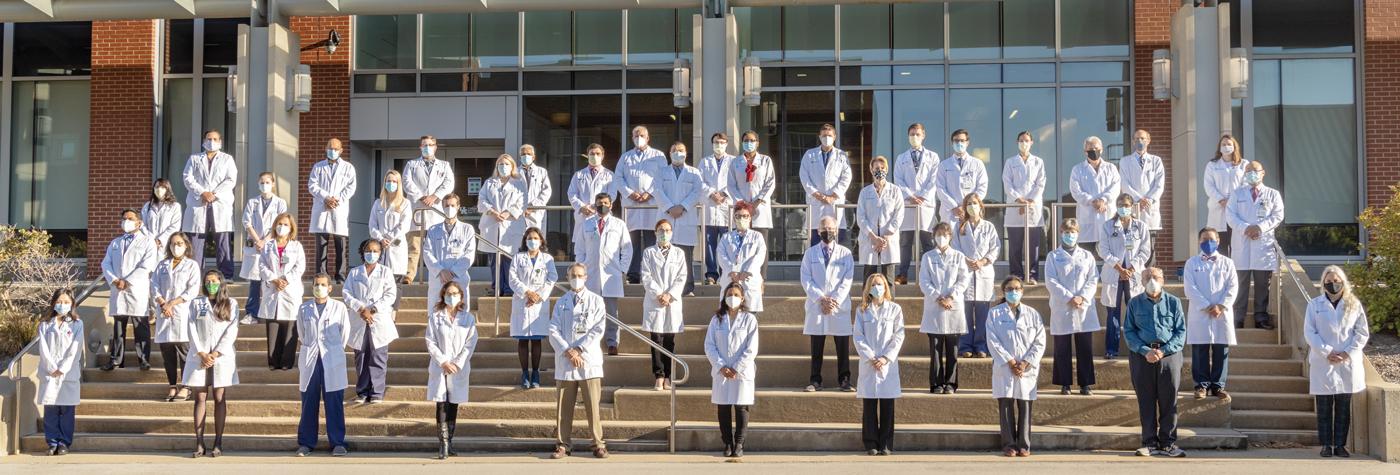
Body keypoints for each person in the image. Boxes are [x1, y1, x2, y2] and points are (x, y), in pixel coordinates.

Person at [1305, 266, 1370, 458]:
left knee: (1343, 407)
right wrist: (1327, 352)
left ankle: (1340, 445)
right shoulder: (1314, 304)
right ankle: (1326, 445)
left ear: (1343, 282)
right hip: (1323, 361)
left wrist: (1347, 353)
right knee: (1324, 407)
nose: (1332, 284)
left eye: (1336, 281)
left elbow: (1362, 332)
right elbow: (1310, 332)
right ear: (1323, 283)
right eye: (1328, 281)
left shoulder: (1354, 304)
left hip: (1347, 361)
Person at [1123, 267, 1188, 458]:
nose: (1152, 280)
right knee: (1146, 400)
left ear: (1163, 280)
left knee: (1169, 400)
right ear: (1142, 281)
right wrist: (1145, 351)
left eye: (1156, 277)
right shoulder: (1134, 303)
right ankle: (1149, 442)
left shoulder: (1174, 303)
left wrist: (1163, 351)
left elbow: (1180, 331)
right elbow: (1129, 331)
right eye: (1147, 277)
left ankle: (1168, 443)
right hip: (1142, 356)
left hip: (1169, 355)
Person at [548, 264, 609, 459]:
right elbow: (553, 329)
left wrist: (579, 349)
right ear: (567, 277)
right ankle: (563, 444)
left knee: (593, 406)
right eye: (573, 275)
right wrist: (568, 351)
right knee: (563, 408)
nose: (576, 278)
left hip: (587, 359)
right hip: (567, 360)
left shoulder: (596, 301)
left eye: (580, 275)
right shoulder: (561, 302)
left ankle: (598, 444)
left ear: (586, 277)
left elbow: (598, 329)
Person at [987, 277, 1045, 457]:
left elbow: (1040, 341)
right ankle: (1009, 444)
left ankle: (1024, 445)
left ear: (1022, 291)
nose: (1014, 292)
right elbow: (992, 341)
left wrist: (1026, 362)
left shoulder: (1032, 314)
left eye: (1017, 288)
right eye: (1010, 289)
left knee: (1025, 405)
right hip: (1006, 367)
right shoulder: (995, 313)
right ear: (1004, 291)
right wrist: (1011, 362)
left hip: (1026, 368)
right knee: (1006, 405)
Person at [184, 270, 239, 458]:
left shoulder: (231, 304)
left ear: (221, 282)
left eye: (214, 281)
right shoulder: (196, 303)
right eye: (207, 281)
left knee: (219, 398)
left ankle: (218, 442)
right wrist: (201, 352)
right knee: (199, 398)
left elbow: (231, 331)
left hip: (220, 357)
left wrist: (215, 353)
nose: (211, 284)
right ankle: (199, 442)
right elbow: (190, 327)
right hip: (199, 357)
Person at [295, 274, 351, 457]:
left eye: (323, 285)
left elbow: (344, 333)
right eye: (316, 284)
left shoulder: (339, 307)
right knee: (309, 401)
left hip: (332, 357)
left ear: (330, 288)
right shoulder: (304, 308)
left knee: (334, 401)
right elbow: (302, 334)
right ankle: (306, 442)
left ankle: (337, 442)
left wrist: (333, 349)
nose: (319, 287)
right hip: (311, 357)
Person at [425, 281, 480, 460]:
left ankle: (451, 440)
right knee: (441, 403)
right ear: (442, 295)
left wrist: (457, 363)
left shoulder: (468, 318)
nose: (452, 296)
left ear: (461, 296)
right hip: (440, 366)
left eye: (455, 293)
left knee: (454, 403)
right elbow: (430, 341)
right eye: (448, 293)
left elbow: (470, 343)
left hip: (458, 367)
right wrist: (443, 361)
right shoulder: (435, 317)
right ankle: (443, 444)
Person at [1227, 161, 1284, 330]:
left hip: (1262, 244)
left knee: (1262, 285)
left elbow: (1278, 215)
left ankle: (1261, 317)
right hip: (1241, 243)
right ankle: (1238, 318)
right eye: (1248, 171)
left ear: (1263, 173)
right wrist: (1246, 228)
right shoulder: (1237, 194)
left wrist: (1259, 228)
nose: (1251, 173)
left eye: (1255, 170)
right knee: (1240, 284)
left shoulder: (1272, 194)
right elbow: (1230, 216)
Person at [1046, 218, 1100, 395]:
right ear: (1061, 233)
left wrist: (1082, 297)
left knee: (1085, 347)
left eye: (1073, 232)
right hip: (1063, 306)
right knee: (1062, 347)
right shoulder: (1053, 256)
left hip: (1083, 306)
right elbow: (1051, 281)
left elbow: (1093, 278)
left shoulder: (1087, 256)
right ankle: (1064, 383)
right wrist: (1069, 297)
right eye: (1067, 232)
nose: (1070, 235)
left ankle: (1085, 384)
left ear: (1078, 234)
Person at [1183, 227, 1238, 402]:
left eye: (1211, 239)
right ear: (1199, 241)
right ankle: (1201, 385)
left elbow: (1233, 287)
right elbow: (1190, 288)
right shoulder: (1191, 263)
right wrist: (1207, 306)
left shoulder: (1228, 263)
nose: (1208, 243)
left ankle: (1218, 386)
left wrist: (1221, 306)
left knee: (1221, 350)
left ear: (1218, 241)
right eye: (1204, 239)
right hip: (1201, 313)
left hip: (1221, 313)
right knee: (1200, 350)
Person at [801, 216, 854, 393]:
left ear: (837, 230)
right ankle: (815, 380)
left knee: (842, 346)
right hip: (818, 305)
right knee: (817, 346)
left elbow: (847, 280)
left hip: (838, 306)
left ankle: (845, 380)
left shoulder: (845, 253)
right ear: (818, 231)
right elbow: (806, 279)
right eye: (824, 228)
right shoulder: (810, 254)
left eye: (831, 228)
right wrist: (821, 299)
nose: (828, 231)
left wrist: (834, 300)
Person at [854, 273, 905, 456]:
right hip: (869, 363)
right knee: (869, 406)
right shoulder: (861, 310)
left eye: (881, 284)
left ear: (886, 287)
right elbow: (858, 337)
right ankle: (870, 444)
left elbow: (898, 336)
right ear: (868, 288)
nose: (878, 288)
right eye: (874, 284)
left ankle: (886, 443)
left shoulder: (895, 309)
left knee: (887, 406)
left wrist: (885, 358)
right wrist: (871, 357)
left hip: (886, 364)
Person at [101, 209, 158, 371]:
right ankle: (116, 360)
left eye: (130, 218)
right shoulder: (115, 243)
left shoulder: (147, 242)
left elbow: (147, 265)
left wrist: (127, 281)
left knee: (141, 326)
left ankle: (144, 359)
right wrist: (114, 280)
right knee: (118, 327)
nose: (126, 221)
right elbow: (106, 263)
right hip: (118, 288)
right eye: (124, 219)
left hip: (136, 288)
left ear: (139, 222)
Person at [344, 240, 400, 404]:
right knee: (361, 356)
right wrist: (361, 309)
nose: (372, 253)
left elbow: (390, 295)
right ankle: (362, 392)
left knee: (378, 356)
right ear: (362, 252)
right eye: (368, 250)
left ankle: (376, 393)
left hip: (378, 318)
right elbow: (347, 293)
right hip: (359, 318)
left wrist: (372, 310)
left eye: (375, 251)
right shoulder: (354, 273)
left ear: (380, 253)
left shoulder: (386, 272)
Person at [707, 282, 759, 458]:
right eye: (730, 294)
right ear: (724, 297)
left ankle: (739, 443)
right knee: (723, 408)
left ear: (743, 298)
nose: (733, 298)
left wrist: (736, 368)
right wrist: (721, 366)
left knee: (741, 407)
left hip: (741, 372)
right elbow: (709, 345)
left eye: (736, 294)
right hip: (721, 371)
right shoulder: (717, 319)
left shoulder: (750, 319)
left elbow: (751, 348)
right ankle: (727, 443)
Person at [918, 222, 970, 394]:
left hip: (953, 306)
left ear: (950, 236)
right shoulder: (927, 257)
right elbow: (924, 281)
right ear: (933, 236)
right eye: (939, 233)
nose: (942, 237)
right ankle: (936, 383)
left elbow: (963, 280)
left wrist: (951, 297)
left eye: (945, 234)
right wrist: (938, 297)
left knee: (952, 350)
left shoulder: (958, 256)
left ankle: (951, 383)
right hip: (935, 307)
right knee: (935, 350)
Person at [1098, 193, 1151, 359]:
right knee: (1113, 313)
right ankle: (1111, 350)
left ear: (1132, 206)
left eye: (1127, 205)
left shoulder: (1141, 226)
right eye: (1120, 204)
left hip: (1133, 275)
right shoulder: (1108, 226)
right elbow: (1104, 250)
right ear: (1116, 206)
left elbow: (1145, 250)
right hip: (1114, 273)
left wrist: (1131, 268)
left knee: (1136, 312)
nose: (1124, 208)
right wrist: (1119, 268)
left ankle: (1137, 348)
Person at [578, 192, 631, 355]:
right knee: (588, 310)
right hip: (590, 273)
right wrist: (581, 269)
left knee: (611, 312)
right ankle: (588, 342)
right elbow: (579, 249)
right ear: (595, 204)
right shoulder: (586, 224)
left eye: (606, 202)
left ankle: (612, 343)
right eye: (600, 202)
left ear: (611, 205)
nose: (603, 205)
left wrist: (622, 269)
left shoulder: (619, 224)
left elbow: (627, 248)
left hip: (611, 274)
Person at [182, 129, 238, 278]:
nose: (211, 142)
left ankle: (226, 275)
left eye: (214, 139)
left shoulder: (227, 159)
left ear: (220, 142)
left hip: (220, 204)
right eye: (208, 139)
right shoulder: (194, 159)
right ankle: (195, 276)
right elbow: (188, 178)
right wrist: (202, 193)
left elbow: (231, 180)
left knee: (222, 241)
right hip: (199, 202)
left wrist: (214, 194)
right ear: (203, 141)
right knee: (196, 241)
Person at [617, 125, 667, 283]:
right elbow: (618, 178)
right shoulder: (625, 157)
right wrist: (629, 193)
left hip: (651, 203)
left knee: (652, 239)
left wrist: (649, 192)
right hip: (631, 204)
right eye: (636, 135)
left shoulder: (658, 156)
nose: (639, 137)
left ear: (648, 137)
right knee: (632, 241)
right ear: (632, 138)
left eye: (642, 135)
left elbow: (663, 177)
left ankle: (652, 272)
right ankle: (633, 274)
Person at [641, 220, 688, 391]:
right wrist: (659, 294)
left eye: (667, 230)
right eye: (661, 230)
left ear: (672, 232)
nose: (664, 233)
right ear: (655, 232)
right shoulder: (648, 253)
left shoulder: (679, 253)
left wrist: (670, 295)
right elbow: (646, 276)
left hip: (672, 302)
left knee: (669, 340)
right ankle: (659, 375)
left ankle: (669, 376)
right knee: (656, 340)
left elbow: (682, 276)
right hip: (655, 301)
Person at [151, 232, 198, 402]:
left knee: (184, 352)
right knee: (167, 353)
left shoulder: (192, 265)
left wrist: (172, 303)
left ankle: (186, 386)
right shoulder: (162, 265)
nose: (175, 247)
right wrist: (163, 303)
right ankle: (172, 385)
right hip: (164, 313)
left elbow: (192, 290)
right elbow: (154, 286)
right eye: (172, 244)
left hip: (181, 312)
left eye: (179, 243)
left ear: (186, 245)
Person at [402, 135, 455, 284]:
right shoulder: (411, 164)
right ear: (420, 147)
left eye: (430, 145)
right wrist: (421, 197)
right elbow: (407, 182)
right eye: (424, 145)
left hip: (435, 210)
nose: (427, 147)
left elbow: (449, 183)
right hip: (417, 209)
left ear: (436, 147)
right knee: (414, 245)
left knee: (437, 246)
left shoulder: (444, 165)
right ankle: (409, 275)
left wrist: (435, 196)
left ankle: (438, 274)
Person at [953, 193, 1000, 360]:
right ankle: (965, 345)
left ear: (980, 206)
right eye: (968, 204)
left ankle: (981, 345)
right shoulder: (959, 227)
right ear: (965, 208)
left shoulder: (989, 227)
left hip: (983, 272)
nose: (972, 206)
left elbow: (995, 247)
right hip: (965, 272)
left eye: (974, 203)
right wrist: (966, 260)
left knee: (982, 314)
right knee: (965, 313)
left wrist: (983, 261)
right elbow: (955, 248)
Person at [509, 227, 556, 389]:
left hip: (538, 304)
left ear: (541, 240)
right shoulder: (518, 258)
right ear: (525, 240)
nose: (532, 241)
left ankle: (535, 372)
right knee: (522, 340)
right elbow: (513, 278)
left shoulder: (548, 258)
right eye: (529, 238)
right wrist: (527, 292)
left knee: (536, 339)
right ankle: (524, 373)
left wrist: (538, 295)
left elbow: (552, 278)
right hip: (523, 301)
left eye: (535, 238)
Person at [38, 289, 83, 456]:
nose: (62, 305)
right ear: (53, 303)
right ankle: (52, 442)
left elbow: (75, 349)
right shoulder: (44, 324)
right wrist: (51, 368)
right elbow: (43, 348)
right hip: (49, 372)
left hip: (68, 373)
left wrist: (62, 368)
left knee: (66, 411)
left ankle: (64, 442)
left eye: (66, 302)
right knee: (50, 410)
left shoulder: (77, 324)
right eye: (59, 301)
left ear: (72, 304)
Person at [655, 141, 703, 296]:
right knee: (664, 256)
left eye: (680, 150)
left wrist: (682, 207)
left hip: (685, 217)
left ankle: (687, 288)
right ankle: (665, 288)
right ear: (669, 154)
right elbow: (657, 191)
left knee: (686, 255)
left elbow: (697, 192)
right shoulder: (661, 172)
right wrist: (669, 207)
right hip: (666, 216)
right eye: (674, 150)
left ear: (686, 153)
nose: (677, 153)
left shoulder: (694, 173)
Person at [894, 123, 939, 285]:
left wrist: (923, 196)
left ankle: (929, 274)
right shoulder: (901, 158)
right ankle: (902, 274)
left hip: (925, 205)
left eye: (917, 134)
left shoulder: (933, 157)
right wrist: (910, 196)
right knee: (905, 242)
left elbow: (934, 179)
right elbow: (898, 179)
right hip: (908, 205)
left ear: (923, 135)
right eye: (912, 134)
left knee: (927, 242)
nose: (915, 137)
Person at [240, 172, 288, 323]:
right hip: (255, 246)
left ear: (273, 183)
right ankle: (252, 313)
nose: (264, 185)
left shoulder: (280, 203)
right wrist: (258, 241)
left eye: (267, 182)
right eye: (262, 182)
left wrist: (265, 241)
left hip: (272, 244)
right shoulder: (252, 202)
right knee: (255, 281)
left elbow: (280, 224)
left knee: (270, 279)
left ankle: (269, 313)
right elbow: (246, 223)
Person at [259, 213, 305, 371]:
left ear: (291, 227)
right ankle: (273, 361)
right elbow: (262, 266)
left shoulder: (296, 246)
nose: (282, 227)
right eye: (279, 224)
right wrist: (274, 279)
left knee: (289, 328)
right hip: (272, 288)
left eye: (285, 224)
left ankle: (286, 361)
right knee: (273, 328)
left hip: (289, 289)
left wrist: (285, 279)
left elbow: (300, 267)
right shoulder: (268, 245)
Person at [727, 130, 776, 275]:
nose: (749, 143)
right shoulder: (735, 162)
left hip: (760, 209)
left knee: (761, 245)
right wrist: (743, 204)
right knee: (741, 244)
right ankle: (741, 275)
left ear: (758, 143)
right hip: (742, 210)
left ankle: (761, 278)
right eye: (746, 140)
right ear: (742, 143)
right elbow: (731, 185)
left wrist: (756, 202)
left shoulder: (766, 160)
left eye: (752, 140)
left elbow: (770, 182)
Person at [308, 137, 357, 283]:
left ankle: (340, 276)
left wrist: (336, 200)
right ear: (325, 149)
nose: (332, 151)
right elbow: (312, 185)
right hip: (322, 209)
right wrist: (326, 198)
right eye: (330, 148)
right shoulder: (318, 167)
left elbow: (351, 187)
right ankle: (321, 275)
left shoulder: (348, 167)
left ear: (341, 150)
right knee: (321, 246)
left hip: (338, 209)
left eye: (335, 149)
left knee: (340, 246)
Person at [479, 153, 526, 296]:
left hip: (510, 224)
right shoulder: (489, 183)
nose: (503, 167)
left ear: (512, 166)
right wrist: (492, 211)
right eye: (501, 164)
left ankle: (509, 288)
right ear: (497, 167)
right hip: (492, 223)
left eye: (506, 164)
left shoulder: (519, 183)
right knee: (495, 260)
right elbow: (481, 200)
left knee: (509, 259)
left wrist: (508, 213)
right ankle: (497, 288)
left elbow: (522, 202)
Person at [800, 123, 853, 247]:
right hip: (816, 203)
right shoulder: (809, 155)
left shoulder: (842, 156)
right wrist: (819, 196)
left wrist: (833, 196)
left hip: (834, 204)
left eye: (829, 135)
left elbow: (847, 177)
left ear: (835, 137)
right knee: (815, 244)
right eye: (824, 135)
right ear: (819, 137)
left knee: (836, 243)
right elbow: (804, 177)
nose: (826, 138)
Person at [1003, 131, 1046, 284]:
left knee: (1032, 247)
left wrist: (1028, 201)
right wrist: (1018, 200)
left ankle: (1032, 275)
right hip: (1015, 208)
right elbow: (1007, 184)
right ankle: (1016, 275)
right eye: (1021, 140)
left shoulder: (1038, 162)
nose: (1024, 143)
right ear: (1017, 142)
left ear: (1031, 142)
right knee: (1015, 247)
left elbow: (1040, 184)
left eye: (1026, 140)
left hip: (1033, 209)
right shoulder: (1010, 162)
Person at [423, 193, 478, 312]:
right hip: (438, 279)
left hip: (458, 277)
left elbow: (469, 254)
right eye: (447, 206)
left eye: (453, 205)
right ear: (442, 207)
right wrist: (440, 271)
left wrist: (452, 273)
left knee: (459, 316)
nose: (449, 208)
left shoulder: (467, 229)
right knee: (436, 315)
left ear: (458, 207)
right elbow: (427, 253)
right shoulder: (433, 230)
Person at [1119, 129, 1165, 265]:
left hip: (1150, 210)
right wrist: (1138, 200)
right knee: (1132, 247)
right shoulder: (1125, 161)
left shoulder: (1156, 161)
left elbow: (1159, 184)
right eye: (1137, 139)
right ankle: (1134, 278)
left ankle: (1149, 279)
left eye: (1143, 138)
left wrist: (1149, 200)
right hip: (1133, 208)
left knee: (1150, 247)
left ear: (1149, 140)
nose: (1140, 141)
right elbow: (1124, 184)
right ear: (1133, 142)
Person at [856, 155, 903, 280]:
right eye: (876, 168)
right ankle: (867, 300)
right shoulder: (865, 192)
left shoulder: (895, 190)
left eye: (882, 168)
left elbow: (898, 215)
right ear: (871, 170)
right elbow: (861, 217)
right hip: (870, 239)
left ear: (887, 170)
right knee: (869, 278)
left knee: (889, 279)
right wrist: (873, 237)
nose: (879, 170)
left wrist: (885, 237)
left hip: (888, 240)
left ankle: (889, 300)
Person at [1069, 136, 1121, 248]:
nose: (1093, 151)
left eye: (1096, 148)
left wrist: (1103, 200)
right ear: (1085, 152)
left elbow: (1116, 187)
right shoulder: (1077, 170)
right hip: (1087, 219)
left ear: (1101, 149)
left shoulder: (1111, 168)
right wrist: (1092, 201)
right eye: (1090, 149)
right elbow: (1076, 191)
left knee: (1110, 254)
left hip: (1107, 215)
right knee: (1086, 257)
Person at [719, 202, 767, 315]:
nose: (742, 219)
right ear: (734, 218)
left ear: (750, 218)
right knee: (729, 316)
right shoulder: (726, 237)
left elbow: (760, 255)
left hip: (749, 280)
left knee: (749, 318)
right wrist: (732, 271)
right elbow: (721, 256)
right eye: (738, 216)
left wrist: (747, 271)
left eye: (745, 216)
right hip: (731, 280)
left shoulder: (757, 236)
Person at [700, 133, 735, 285]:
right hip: (710, 206)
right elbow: (699, 181)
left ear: (726, 143)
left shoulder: (734, 161)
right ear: (712, 144)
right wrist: (711, 193)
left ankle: (726, 273)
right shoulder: (704, 162)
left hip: (726, 206)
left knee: (727, 243)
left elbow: (736, 181)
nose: (719, 145)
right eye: (716, 142)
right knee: (709, 243)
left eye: (721, 142)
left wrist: (723, 193)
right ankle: (711, 274)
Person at [1204, 134, 1248, 255]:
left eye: (1229, 144)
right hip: (1218, 208)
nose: (1226, 147)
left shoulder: (1243, 164)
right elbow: (1209, 186)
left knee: (1237, 246)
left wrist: (1233, 201)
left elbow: (1246, 185)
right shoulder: (1212, 165)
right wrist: (1221, 200)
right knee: (1220, 245)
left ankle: (1237, 272)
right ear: (1219, 147)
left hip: (1238, 208)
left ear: (1235, 147)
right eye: (1223, 144)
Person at [567, 143, 616, 249]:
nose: (595, 156)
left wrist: (596, 207)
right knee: (582, 250)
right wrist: (582, 207)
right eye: (592, 153)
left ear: (603, 156)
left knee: (602, 247)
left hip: (602, 213)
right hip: (583, 215)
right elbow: (571, 194)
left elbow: (612, 194)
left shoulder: (610, 175)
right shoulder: (578, 175)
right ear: (587, 155)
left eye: (598, 153)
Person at [934, 129, 988, 223]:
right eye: (956, 141)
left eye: (962, 140)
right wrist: (954, 206)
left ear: (967, 142)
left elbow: (982, 186)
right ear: (952, 143)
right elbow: (940, 188)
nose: (959, 143)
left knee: (971, 236)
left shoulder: (977, 164)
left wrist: (967, 205)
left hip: (971, 210)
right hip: (950, 212)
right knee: (950, 236)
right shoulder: (944, 165)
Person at [368, 170, 412, 281]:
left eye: (394, 181)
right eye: (388, 181)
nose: (391, 183)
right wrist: (381, 239)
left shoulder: (405, 203)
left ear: (398, 184)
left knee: (396, 284)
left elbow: (404, 226)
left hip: (396, 246)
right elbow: (372, 225)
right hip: (381, 245)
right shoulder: (378, 203)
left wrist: (389, 238)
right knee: (379, 282)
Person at [516, 143, 553, 232]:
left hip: (536, 212)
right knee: (519, 241)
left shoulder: (541, 171)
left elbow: (546, 191)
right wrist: (521, 207)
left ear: (533, 157)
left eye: (528, 154)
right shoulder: (515, 173)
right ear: (520, 157)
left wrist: (533, 206)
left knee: (536, 238)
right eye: (523, 154)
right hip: (519, 212)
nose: (526, 156)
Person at [141, 178, 182, 251]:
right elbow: (142, 224)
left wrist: (160, 240)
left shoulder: (175, 206)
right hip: (149, 244)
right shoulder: (147, 206)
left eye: (162, 187)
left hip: (166, 245)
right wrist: (152, 240)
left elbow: (175, 226)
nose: (159, 189)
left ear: (167, 189)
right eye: (157, 187)